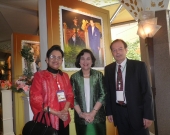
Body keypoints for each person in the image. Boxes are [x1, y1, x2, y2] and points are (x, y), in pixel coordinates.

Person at [104, 39, 154, 135]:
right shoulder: (108, 69)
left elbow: (147, 92)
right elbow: (108, 93)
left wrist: (148, 115)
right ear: (111, 52)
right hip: (118, 112)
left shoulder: (139, 66)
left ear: (126, 50)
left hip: (137, 112)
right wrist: (109, 112)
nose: (117, 52)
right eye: (114, 50)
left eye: (120, 49)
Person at [30, 45, 74, 135]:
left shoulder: (65, 76)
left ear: (62, 61)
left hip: (64, 119)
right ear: (46, 59)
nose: (56, 60)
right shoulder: (39, 76)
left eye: (59, 58)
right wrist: (57, 113)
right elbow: (36, 100)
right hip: (47, 120)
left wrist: (64, 111)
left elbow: (70, 95)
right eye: (52, 57)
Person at [70, 49, 106, 135]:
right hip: (81, 118)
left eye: (88, 58)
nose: (85, 61)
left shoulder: (99, 75)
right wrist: (81, 114)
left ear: (92, 61)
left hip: (97, 117)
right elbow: (72, 97)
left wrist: (93, 113)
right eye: (82, 58)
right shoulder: (74, 77)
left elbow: (103, 94)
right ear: (79, 61)